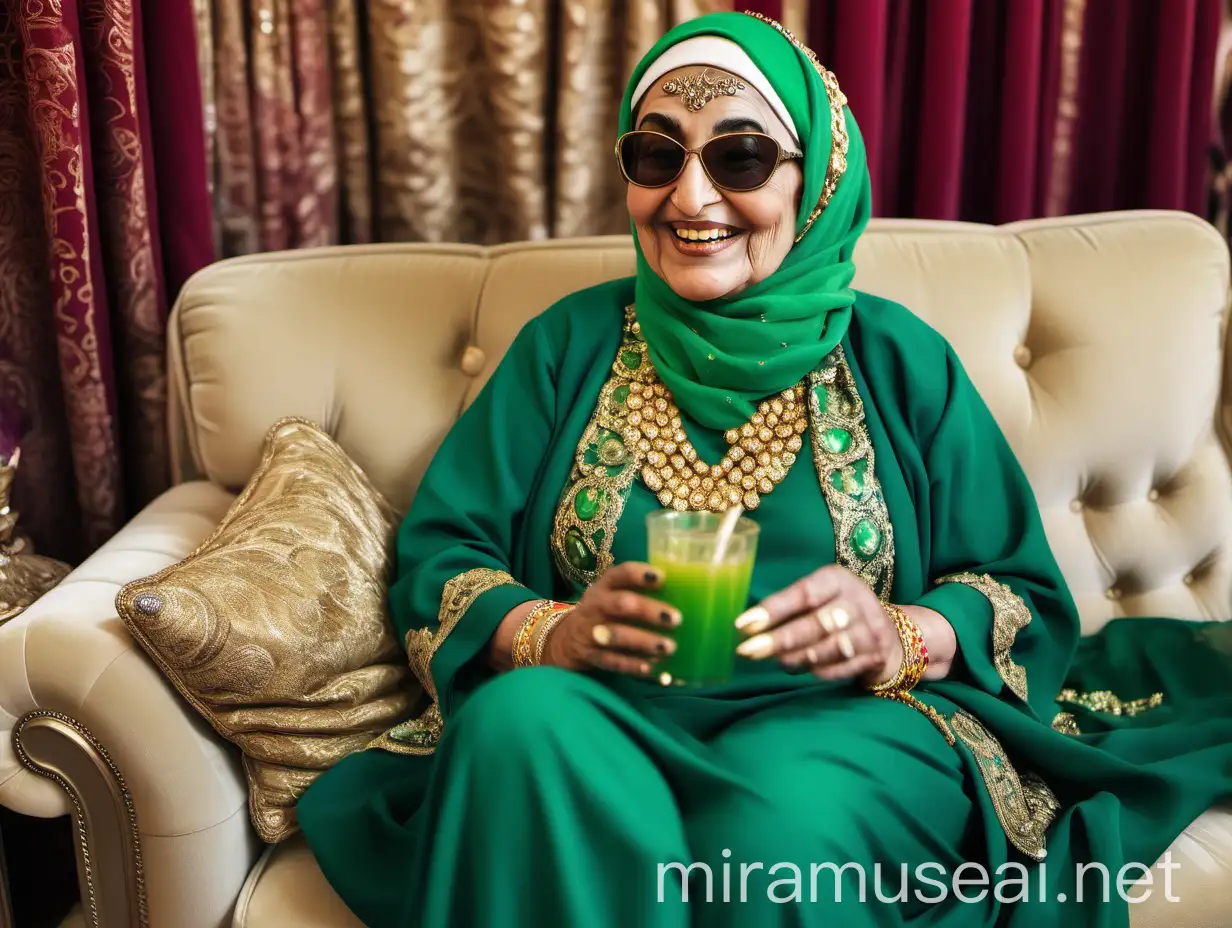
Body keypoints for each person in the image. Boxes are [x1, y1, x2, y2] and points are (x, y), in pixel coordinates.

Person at [298, 12, 1232, 927]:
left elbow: (1016, 586)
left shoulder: (901, 360)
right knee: (513, 730)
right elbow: (442, 555)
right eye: (657, 157)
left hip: (850, 723)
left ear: (815, 178)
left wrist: (900, 634)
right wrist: (550, 633)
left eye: (738, 158)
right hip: (601, 709)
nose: (691, 200)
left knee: (771, 830)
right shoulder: (566, 349)